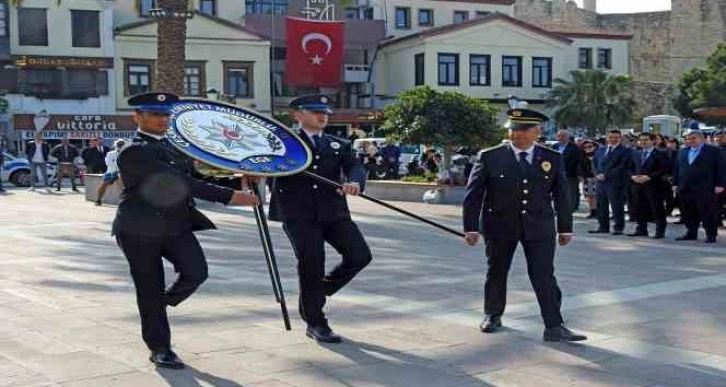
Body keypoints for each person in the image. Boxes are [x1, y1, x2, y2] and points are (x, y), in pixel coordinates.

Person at [113, 92, 259, 369]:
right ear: (138, 117)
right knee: (149, 287)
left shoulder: (174, 147)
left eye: (166, 114)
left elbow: (196, 178)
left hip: (176, 226)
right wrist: (229, 197)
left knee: (196, 272)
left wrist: (237, 180)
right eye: (155, 114)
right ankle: (160, 348)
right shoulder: (133, 150)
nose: (162, 119)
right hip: (138, 229)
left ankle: (160, 304)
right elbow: (175, 181)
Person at [462, 107, 586, 342]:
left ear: (537, 131)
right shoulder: (490, 156)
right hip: (500, 224)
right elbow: (474, 194)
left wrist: (565, 228)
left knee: (544, 275)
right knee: (497, 271)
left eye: (523, 130)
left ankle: (554, 326)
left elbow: (562, 195)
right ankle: (492, 314)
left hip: (539, 226)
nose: (516, 134)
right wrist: (471, 227)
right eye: (513, 130)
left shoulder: (552, 157)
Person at [268, 94, 370, 344]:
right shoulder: (283, 144)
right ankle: (315, 321)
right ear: (297, 115)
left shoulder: (338, 144)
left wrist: (355, 181)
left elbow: (355, 167)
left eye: (324, 111)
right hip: (298, 214)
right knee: (311, 263)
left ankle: (320, 290)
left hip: (334, 212)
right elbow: (264, 166)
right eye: (314, 111)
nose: (322, 115)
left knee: (359, 255)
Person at [672, 130, 725, 243]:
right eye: (688, 138)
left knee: (707, 212)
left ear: (702, 139)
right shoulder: (683, 151)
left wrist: (720, 185)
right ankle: (691, 232)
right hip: (685, 187)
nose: (690, 140)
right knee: (688, 212)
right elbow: (677, 169)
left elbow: (721, 169)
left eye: (693, 138)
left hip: (705, 187)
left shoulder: (714, 151)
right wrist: (675, 183)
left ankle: (710, 234)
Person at [627, 133, 670, 239]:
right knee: (638, 207)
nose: (643, 142)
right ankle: (641, 229)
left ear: (653, 141)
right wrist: (633, 176)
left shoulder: (661, 154)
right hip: (637, 185)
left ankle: (660, 231)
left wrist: (649, 176)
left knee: (657, 208)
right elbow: (629, 167)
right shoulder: (635, 153)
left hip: (654, 185)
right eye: (641, 140)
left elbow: (664, 169)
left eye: (646, 140)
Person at [589, 130, 632, 235]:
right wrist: (596, 174)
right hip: (600, 182)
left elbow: (622, 166)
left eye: (616, 137)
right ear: (607, 138)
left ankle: (618, 227)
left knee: (616, 206)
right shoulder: (600, 150)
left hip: (615, 182)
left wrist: (607, 175)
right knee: (601, 205)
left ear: (620, 138)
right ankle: (603, 226)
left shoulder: (625, 151)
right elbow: (594, 164)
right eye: (611, 137)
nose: (613, 139)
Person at [554, 129, 585, 213]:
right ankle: (557, 208)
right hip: (556, 173)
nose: (560, 138)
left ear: (568, 137)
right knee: (557, 192)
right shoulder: (555, 146)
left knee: (571, 191)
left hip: (570, 173)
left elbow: (579, 161)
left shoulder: (574, 148)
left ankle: (571, 208)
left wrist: (579, 173)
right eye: (559, 136)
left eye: (563, 136)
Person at [95, 139, 125, 206]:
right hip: (111, 172)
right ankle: (98, 200)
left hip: (122, 172)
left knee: (124, 184)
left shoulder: (127, 153)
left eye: (122, 144)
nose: (120, 145)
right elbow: (109, 163)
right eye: (119, 144)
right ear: (116, 145)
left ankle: (125, 201)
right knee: (104, 185)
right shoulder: (110, 154)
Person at [581, 140, 599, 219]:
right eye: (585, 147)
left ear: (595, 147)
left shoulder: (598, 155)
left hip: (597, 178)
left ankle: (599, 211)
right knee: (589, 195)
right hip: (587, 178)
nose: (587, 148)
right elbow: (580, 168)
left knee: (596, 195)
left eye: (590, 146)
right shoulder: (582, 156)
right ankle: (592, 211)